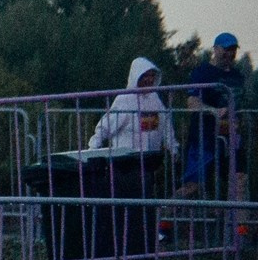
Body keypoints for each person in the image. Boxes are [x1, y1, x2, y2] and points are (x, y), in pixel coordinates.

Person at [182, 33, 243, 199]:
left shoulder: (237, 75)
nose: (230, 54)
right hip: (205, 138)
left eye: (233, 50)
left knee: (239, 180)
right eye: (226, 49)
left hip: (232, 138)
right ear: (215, 49)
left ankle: (240, 223)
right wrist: (214, 111)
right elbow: (192, 102)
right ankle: (165, 214)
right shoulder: (202, 73)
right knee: (193, 185)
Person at [85, 58, 177, 158]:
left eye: (152, 76)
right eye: (145, 76)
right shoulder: (124, 99)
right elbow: (106, 126)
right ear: (137, 76)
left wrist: (173, 148)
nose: (150, 80)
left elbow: (165, 125)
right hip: (126, 159)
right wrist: (92, 150)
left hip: (149, 158)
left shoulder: (155, 98)